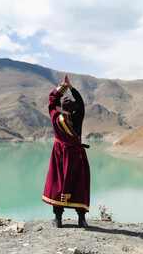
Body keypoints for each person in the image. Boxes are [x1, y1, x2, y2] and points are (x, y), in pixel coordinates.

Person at [42, 75, 90, 228]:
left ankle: (58, 220)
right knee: (79, 185)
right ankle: (81, 220)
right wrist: (71, 88)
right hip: (76, 155)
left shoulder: (56, 117)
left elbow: (51, 100)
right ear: (75, 110)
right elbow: (81, 104)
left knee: (59, 183)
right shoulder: (78, 118)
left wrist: (62, 87)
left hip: (60, 155)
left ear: (61, 108)